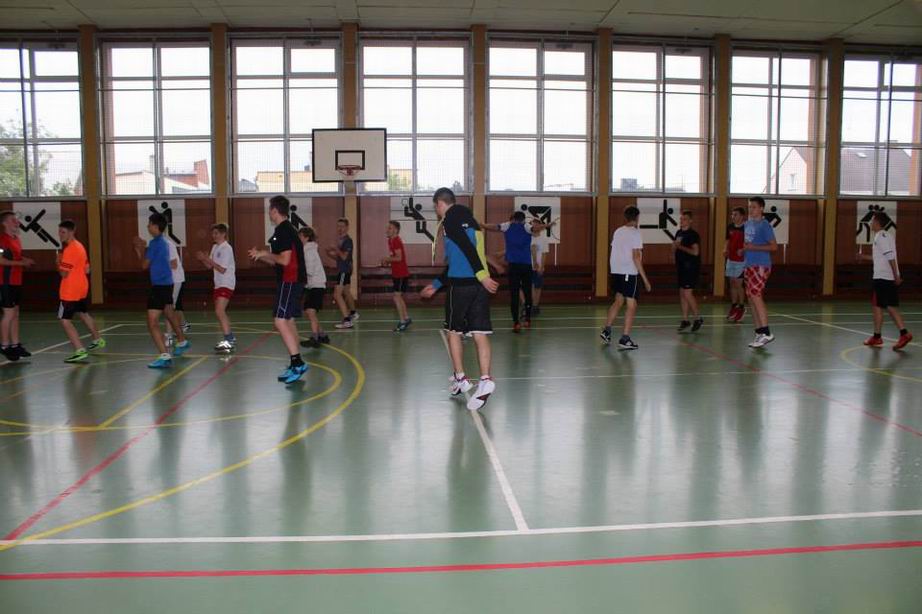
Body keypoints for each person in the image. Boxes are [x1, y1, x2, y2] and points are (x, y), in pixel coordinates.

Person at [420, 188, 499, 411]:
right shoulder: (472, 221)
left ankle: (461, 377)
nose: (436, 211)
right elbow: (465, 254)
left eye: (435, 207)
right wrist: (438, 284)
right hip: (478, 286)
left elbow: (466, 247)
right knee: (479, 333)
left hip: (462, 285)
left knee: (453, 332)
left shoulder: (450, 220)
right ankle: (485, 380)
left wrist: (482, 275)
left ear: (439, 204)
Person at [248, 195, 309, 384]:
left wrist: (266, 253)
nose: (269, 213)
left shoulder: (284, 230)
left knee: (279, 320)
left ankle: (297, 363)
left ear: (275, 211)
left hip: (290, 280)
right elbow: (278, 261)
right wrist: (262, 256)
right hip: (292, 279)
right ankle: (295, 363)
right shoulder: (284, 230)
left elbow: (284, 260)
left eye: (270, 209)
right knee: (288, 320)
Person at [132, 213, 190, 368]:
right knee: (169, 313)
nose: (148, 226)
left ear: (156, 226)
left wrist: (140, 250)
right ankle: (182, 341)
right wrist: (142, 249)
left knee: (152, 322)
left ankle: (164, 356)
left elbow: (144, 265)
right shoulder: (164, 242)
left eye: (150, 224)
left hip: (159, 286)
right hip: (167, 284)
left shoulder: (155, 243)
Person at [600, 206, 651, 350]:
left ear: (625, 217)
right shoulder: (635, 233)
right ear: (637, 217)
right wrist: (645, 280)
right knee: (631, 305)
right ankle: (625, 339)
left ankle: (606, 331)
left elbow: (615, 251)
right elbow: (636, 257)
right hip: (628, 272)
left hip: (616, 271)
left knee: (618, 301)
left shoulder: (618, 231)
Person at [860, 211, 912, 350]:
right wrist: (864, 257)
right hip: (883, 277)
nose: (870, 223)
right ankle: (877, 337)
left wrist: (896, 276)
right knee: (877, 305)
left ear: (877, 222)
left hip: (884, 278)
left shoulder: (881, 236)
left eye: (872, 220)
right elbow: (881, 257)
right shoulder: (885, 236)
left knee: (890, 306)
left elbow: (890, 257)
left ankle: (904, 333)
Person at [56, 220, 105, 363]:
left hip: (70, 290)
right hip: (81, 288)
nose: (60, 235)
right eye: (59, 232)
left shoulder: (69, 250)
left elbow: (64, 273)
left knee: (64, 320)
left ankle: (79, 350)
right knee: (83, 313)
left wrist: (58, 263)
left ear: (72, 232)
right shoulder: (80, 246)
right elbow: (87, 269)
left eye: (63, 232)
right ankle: (98, 339)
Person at [483, 211, 534, 332]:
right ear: (523, 219)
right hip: (526, 266)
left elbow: (494, 226)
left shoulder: (507, 226)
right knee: (527, 293)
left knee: (514, 295)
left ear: (514, 219)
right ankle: (527, 319)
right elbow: (535, 228)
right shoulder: (527, 226)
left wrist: (482, 225)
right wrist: (546, 225)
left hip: (513, 266)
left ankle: (516, 323)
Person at [743, 196, 778, 349]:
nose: (751, 210)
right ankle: (759, 332)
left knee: (756, 295)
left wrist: (754, 248)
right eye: (750, 207)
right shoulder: (748, 224)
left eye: (754, 207)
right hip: (749, 264)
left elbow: (774, 247)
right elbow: (748, 244)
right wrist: (743, 249)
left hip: (761, 265)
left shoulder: (765, 226)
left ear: (761, 208)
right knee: (751, 298)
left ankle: (766, 332)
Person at [196, 223, 236, 353]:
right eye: (213, 233)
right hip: (218, 284)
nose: (214, 235)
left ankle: (229, 340)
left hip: (226, 283)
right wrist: (203, 259)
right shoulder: (215, 247)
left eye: (216, 233)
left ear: (223, 234)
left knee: (219, 311)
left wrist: (207, 259)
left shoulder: (227, 248)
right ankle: (230, 337)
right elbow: (210, 266)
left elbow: (222, 269)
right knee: (220, 312)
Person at [0, 211, 35, 361]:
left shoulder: (16, 239)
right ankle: (4, 345)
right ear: (4, 223)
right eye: (13, 220)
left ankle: (15, 345)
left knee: (15, 314)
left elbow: (16, 257)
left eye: (16, 220)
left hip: (16, 281)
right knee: (8, 314)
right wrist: (21, 263)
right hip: (5, 282)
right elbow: (0, 260)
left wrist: (25, 260)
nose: (17, 222)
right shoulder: (2, 240)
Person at [299, 226, 330, 348]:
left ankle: (315, 338)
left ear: (306, 237)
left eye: (300, 236)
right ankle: (322, 335)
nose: (299, 238)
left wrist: (298, 270)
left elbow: (310, 271)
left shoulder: (309, 251)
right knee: (310, 312)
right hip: (312, 285)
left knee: (310, 312)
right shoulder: (307, 250)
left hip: (317, 285)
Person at [673, 210, 703, 333]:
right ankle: (685, 320)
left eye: (684, 219)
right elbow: (676, 247)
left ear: (690, 221)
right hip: (681, 267)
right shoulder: (679, 233)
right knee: (682, 293)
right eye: (681, 219)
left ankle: (698, 318)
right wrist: (674, 249)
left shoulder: (693, 235)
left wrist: (680, 247)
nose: (682, 221)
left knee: (687, 294)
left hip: (690, 268)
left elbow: (695, 252)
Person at [381, 220, 412, 332]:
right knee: (398, 297)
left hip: (401, 274)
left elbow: (399, 258)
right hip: (397, 273)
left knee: (396, 297)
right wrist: (388, 261)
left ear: (396, 230)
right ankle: (406, 318)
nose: (387, 230)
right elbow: (395, 258)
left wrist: (387, 259)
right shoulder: (390, 240)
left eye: (390, 228)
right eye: (387, 228)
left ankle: (403, 322)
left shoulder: (396, 241)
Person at [328, 218, 358, 329]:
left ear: (347, 227)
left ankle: (347, 320)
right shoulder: (341, 240)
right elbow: (340, 258)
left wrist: (336, 249)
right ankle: (353, 313)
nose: (340, 228)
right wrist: (329, 253)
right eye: (338, 226)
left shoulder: (347, 241)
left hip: (344, 271)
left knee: (337, 294)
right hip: (344, 269)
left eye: (342, 226)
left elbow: (344, 257)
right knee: (346, 292)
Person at [163, 239, 189, 347]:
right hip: (166, 280)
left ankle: (169, 336)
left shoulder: (168, 245)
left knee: (168, 307)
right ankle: (182, 326)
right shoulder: (156, 244)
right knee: (170, 308)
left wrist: (159, 264)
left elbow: (174, 265)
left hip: (175, 279)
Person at [724, 206, 747, 322]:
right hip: (730, 259)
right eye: (732, 214)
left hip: (741, 260)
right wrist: (725, 249)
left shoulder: (746, 228)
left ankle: (741, 308)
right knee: (732, 283)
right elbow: (727, 240)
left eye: (735, 215)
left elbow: (750, 243)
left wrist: (743, 250)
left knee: (738, 285)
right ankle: (734, 306)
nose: (733, 217)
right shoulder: (730, 227)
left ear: (742, 216)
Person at [529, 220, 551, 316]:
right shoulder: (528, 238)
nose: (535, 227)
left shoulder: (544, 239)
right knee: (530, 286)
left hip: (538, 267)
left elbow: (544, 254)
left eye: (537, 225)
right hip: (528, 266)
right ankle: (530, 305)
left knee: (538, 287)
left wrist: (541, 267)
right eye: (533, 225)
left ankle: (535, 306)